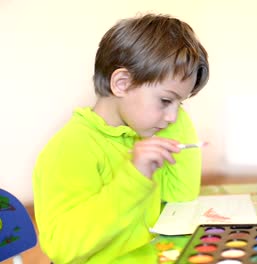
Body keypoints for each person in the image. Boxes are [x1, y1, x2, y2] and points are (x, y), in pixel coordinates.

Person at [33, 13, 209, 264]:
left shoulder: (140, 133)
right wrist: (133, 177)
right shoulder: (70, 149)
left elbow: (182, 197)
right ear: (122, 84)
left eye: (180, 103)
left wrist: (171, 113)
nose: (173, 116)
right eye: (166, 100)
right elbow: (62, 249)